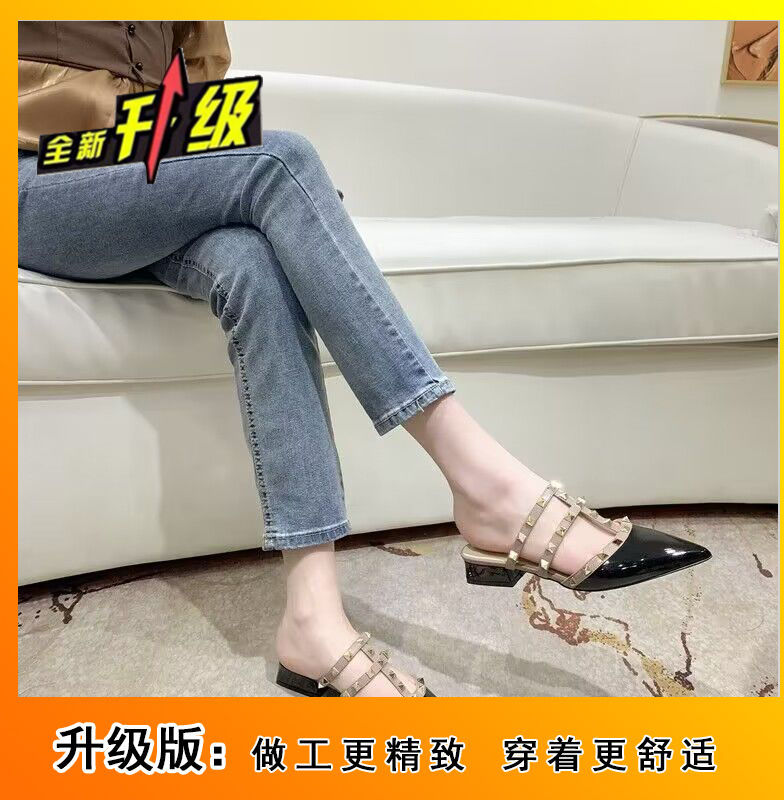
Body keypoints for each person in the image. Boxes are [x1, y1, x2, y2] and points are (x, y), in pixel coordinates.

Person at [17, 21, 710, 698]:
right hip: (31, 169)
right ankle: (487, 486)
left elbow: (199, 71)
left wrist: (179, 151)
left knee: (254, 263)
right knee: (280, 160)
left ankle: (311, 620)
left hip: (136, 165)